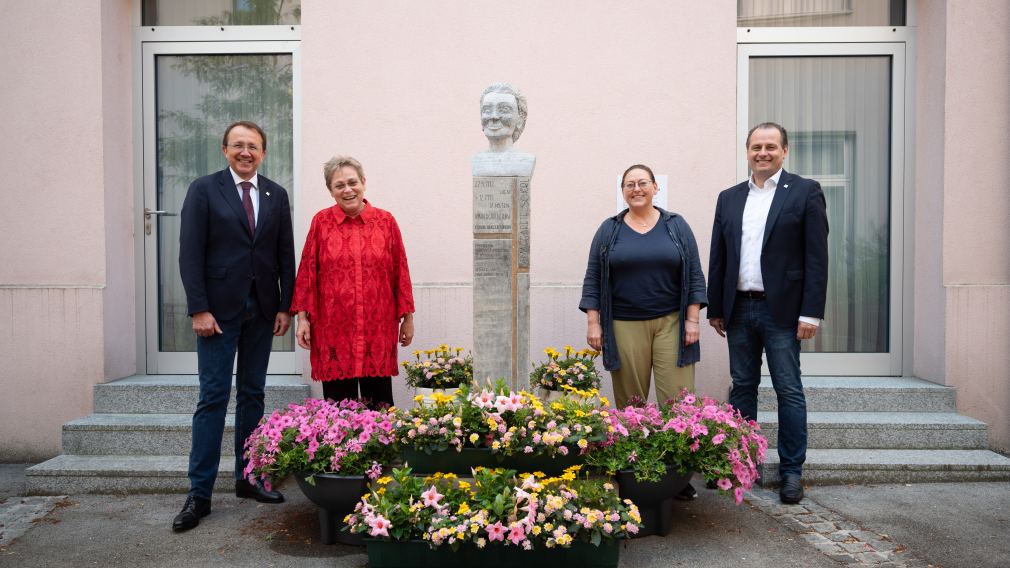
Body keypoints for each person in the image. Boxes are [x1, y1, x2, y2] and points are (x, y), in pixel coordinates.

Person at [174, 121, 296, 531]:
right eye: (238, 145)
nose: (246, 152)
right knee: (213, 398)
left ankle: (249, 477)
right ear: (224, 149)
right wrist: (198, 309)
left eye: (254, 146)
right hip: (217, 314)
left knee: (252, 394)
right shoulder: (204, 189)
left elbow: (284, 255)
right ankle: (200, 494)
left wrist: (285, 307)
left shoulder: (275, 194)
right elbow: (190, 253)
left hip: (262, 310)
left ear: (263, 153)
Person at [707, 122, 829, 505]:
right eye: (756, 147)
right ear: (747, 152)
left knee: (788, 390)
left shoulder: (805, 192)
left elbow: (817, 257)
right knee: (742, 386)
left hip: (783, 312)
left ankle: (791, 472)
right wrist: (716, 307)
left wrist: (811, 312)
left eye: (771, 146)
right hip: (738, 308)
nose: (763, 153)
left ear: (784, 151)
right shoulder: (729, 198)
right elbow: (719, 255)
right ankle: (742, 465)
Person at [579, 164, 708, 499]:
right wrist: (593, 322)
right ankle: (636, 472)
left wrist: (692, 320)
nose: (636, 189)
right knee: (632, 405)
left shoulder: (675, 226)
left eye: (642, 183)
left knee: (678, 402)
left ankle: (677, 477)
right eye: (629, 184)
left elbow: (694, 273)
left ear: (655, 188)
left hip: (672, 324)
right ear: (623, 191)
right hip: (624, 324)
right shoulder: (609, 230)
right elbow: (593, 277)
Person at [290, 156, 415, 407]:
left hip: (377, 328)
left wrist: (408, 319)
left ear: (363, 182)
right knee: (338, 408)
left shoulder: (386, 222)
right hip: (333, 329)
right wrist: (302, 319)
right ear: (331, 191)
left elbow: (400, 271)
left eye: (352, 182)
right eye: (339, 185)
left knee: (379, 405)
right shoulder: (321, 223)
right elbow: (307, 272)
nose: (347, 190)